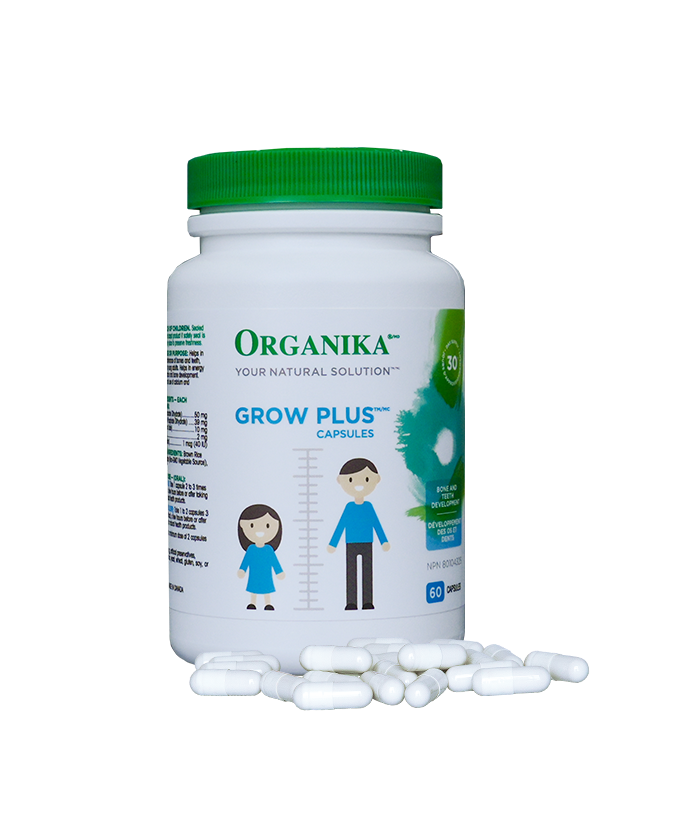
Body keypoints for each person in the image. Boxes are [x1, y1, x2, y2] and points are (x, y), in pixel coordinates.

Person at [327, 458, 390, 610]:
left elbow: (376, 524)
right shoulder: (349, 507)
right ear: (340, 481)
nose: (359, 484)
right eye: (350, 480)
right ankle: (351, 602)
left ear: (377, 479)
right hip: (351, 543)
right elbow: (341, 525)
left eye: (367, 479)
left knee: (367, 572)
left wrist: (383, 541)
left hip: (367, 542)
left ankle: (368, 601)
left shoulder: (369, 507)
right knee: (351, 573)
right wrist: (333, 543)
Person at [237, 504, 285, 610]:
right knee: (253, 587)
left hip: (266, 573)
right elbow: (246, 560)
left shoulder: (269, 549)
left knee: (267, 588)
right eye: (252, 525)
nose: (260, 530)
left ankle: (268, 603)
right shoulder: (251, 549)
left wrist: (279, 572)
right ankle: (252, 603)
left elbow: (274, 561)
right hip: (254, 572)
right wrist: (242, 570)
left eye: (267, 525)